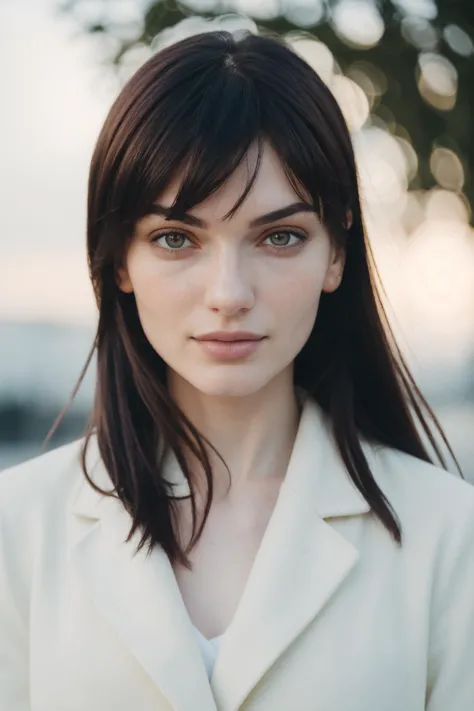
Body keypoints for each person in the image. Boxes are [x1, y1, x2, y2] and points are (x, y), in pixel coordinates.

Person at [1, 28, 473, 711]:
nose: (229, 291)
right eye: (176, 238)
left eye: (279, 236)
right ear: (121, 262)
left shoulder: (450, 538)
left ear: (335, 254)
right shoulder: (18, 529)